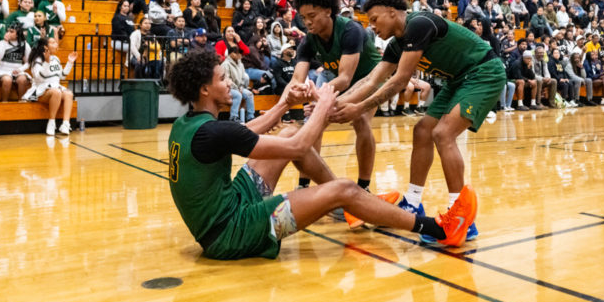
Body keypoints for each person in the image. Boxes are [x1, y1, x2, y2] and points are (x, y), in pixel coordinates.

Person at [164, 51, 475, 261]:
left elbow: (246, 130)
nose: (229, 81)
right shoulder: (213, 132)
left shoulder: (189, 124)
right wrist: (324, 106)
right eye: (221, 78)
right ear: (205, 90)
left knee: (286, 133)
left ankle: (351, 209)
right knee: (344, 189)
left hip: (228, 210)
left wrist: (285, 103)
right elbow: (299, 147)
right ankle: (438, 228)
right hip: (233, 235)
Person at [331, 0, 502, 242]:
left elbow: (400, 80)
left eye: (375, 19)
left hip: (484, 71)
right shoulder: (396, 44)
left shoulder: (419, 23)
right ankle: (412, 203)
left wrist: (359, 108)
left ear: (392, 11)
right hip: (458, 80)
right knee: (422, 131)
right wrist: (334, 104)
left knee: (443, 133)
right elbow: (370, 80)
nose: (372, 26)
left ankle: (462, 219)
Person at [287, 0, 382, 221]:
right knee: (314, 124)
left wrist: (318, 97)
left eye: (312, 16)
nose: (307, 22)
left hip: (370, 80)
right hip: (340, 82)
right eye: (303, 17)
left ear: (328, 11)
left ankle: (363, 186)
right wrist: (292, 96)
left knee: (360, 120)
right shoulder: (309, 40)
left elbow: (345, 79)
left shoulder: (351, 30)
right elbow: (296, 78)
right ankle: (304, 186)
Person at [24, 36, 77, 136]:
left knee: (69, 94)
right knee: (56, 92)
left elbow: (62, 76)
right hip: (40, 90)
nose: (56, 44)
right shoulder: (38, 60)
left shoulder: (56, 59)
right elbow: (39, 78)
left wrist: (70, 62)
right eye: (53, 43)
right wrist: (47, 63)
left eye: (56, 42)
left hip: (55, 87)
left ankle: (65, 124)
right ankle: (51, 122)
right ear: (45, 47)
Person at [0, 24, 31, 102]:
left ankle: (22, 102)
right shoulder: (2, 43)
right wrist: (5, 42)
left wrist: (20, 69)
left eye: (11, 31)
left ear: (18, 34)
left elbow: (29, 62)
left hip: (17, 70)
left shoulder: (25, 44)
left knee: (22, 80)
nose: (8, 33)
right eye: (7, 31)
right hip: (3, 69)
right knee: (7, 80)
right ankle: (5, 102)